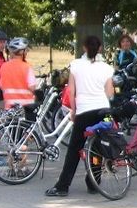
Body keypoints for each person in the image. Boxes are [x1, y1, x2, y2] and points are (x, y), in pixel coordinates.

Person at [45, 35, 114, 197]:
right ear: (100, 49)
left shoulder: (76, 66)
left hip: (84, 111)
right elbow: (110, 93)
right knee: (97, 148)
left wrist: (74, 111)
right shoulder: (106, 68)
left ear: (84, 48)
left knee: (74, 149)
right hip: (102, 110)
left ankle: (63, 185)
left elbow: (71, 91)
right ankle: (93, 183)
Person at [0, 38, 36, 110]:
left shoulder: (4, 66)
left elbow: (1, 86)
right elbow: (32, 87)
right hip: (26, 106)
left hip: (10, 107)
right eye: (26, 50)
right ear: (22, 52)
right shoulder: (26, 67)